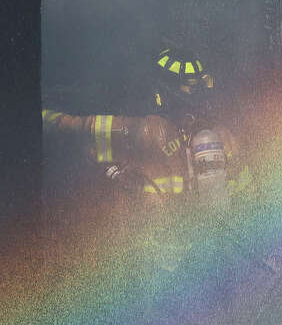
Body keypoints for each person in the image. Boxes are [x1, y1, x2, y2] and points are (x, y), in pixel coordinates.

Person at [42, 45, 250, 220]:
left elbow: (78, 127)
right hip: (207, 240)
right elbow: (244, 201)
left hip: (160, 248)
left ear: (160, 92)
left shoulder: (146, 130)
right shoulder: (221, 135)